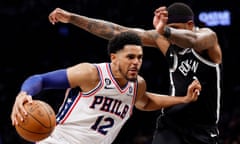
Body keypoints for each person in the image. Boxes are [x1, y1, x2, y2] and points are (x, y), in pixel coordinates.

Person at [48, 2, 223, 144]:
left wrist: (165, 31)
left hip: (203, 130)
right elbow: (118, 31)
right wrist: (72, 18)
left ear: (190, 25)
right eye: (168, 29)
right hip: (172, 125)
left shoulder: (208, 38)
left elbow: (193, 40)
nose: (170, 37)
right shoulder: (165, 40)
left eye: (175, 28)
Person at [11, 31, 201, 144]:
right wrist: (24, 93)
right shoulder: (91, 74)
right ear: (114, 58)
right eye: (130, 57)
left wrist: (183, 99)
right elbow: (41, 80)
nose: (136, 62)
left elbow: (145, 102)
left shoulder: (138, 85)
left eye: (140, 57)